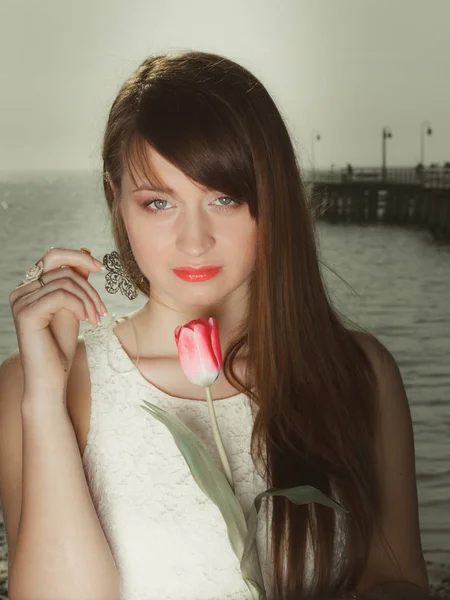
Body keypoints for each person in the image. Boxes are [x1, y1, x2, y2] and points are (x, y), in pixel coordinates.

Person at [0, 51, 430, 600]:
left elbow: (397, 583)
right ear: (116, 202)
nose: (194, 240)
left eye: (224, 198)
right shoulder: (38, 387)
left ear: (270, 198)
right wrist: (44, 401)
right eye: (159, 203)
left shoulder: (359, 372)